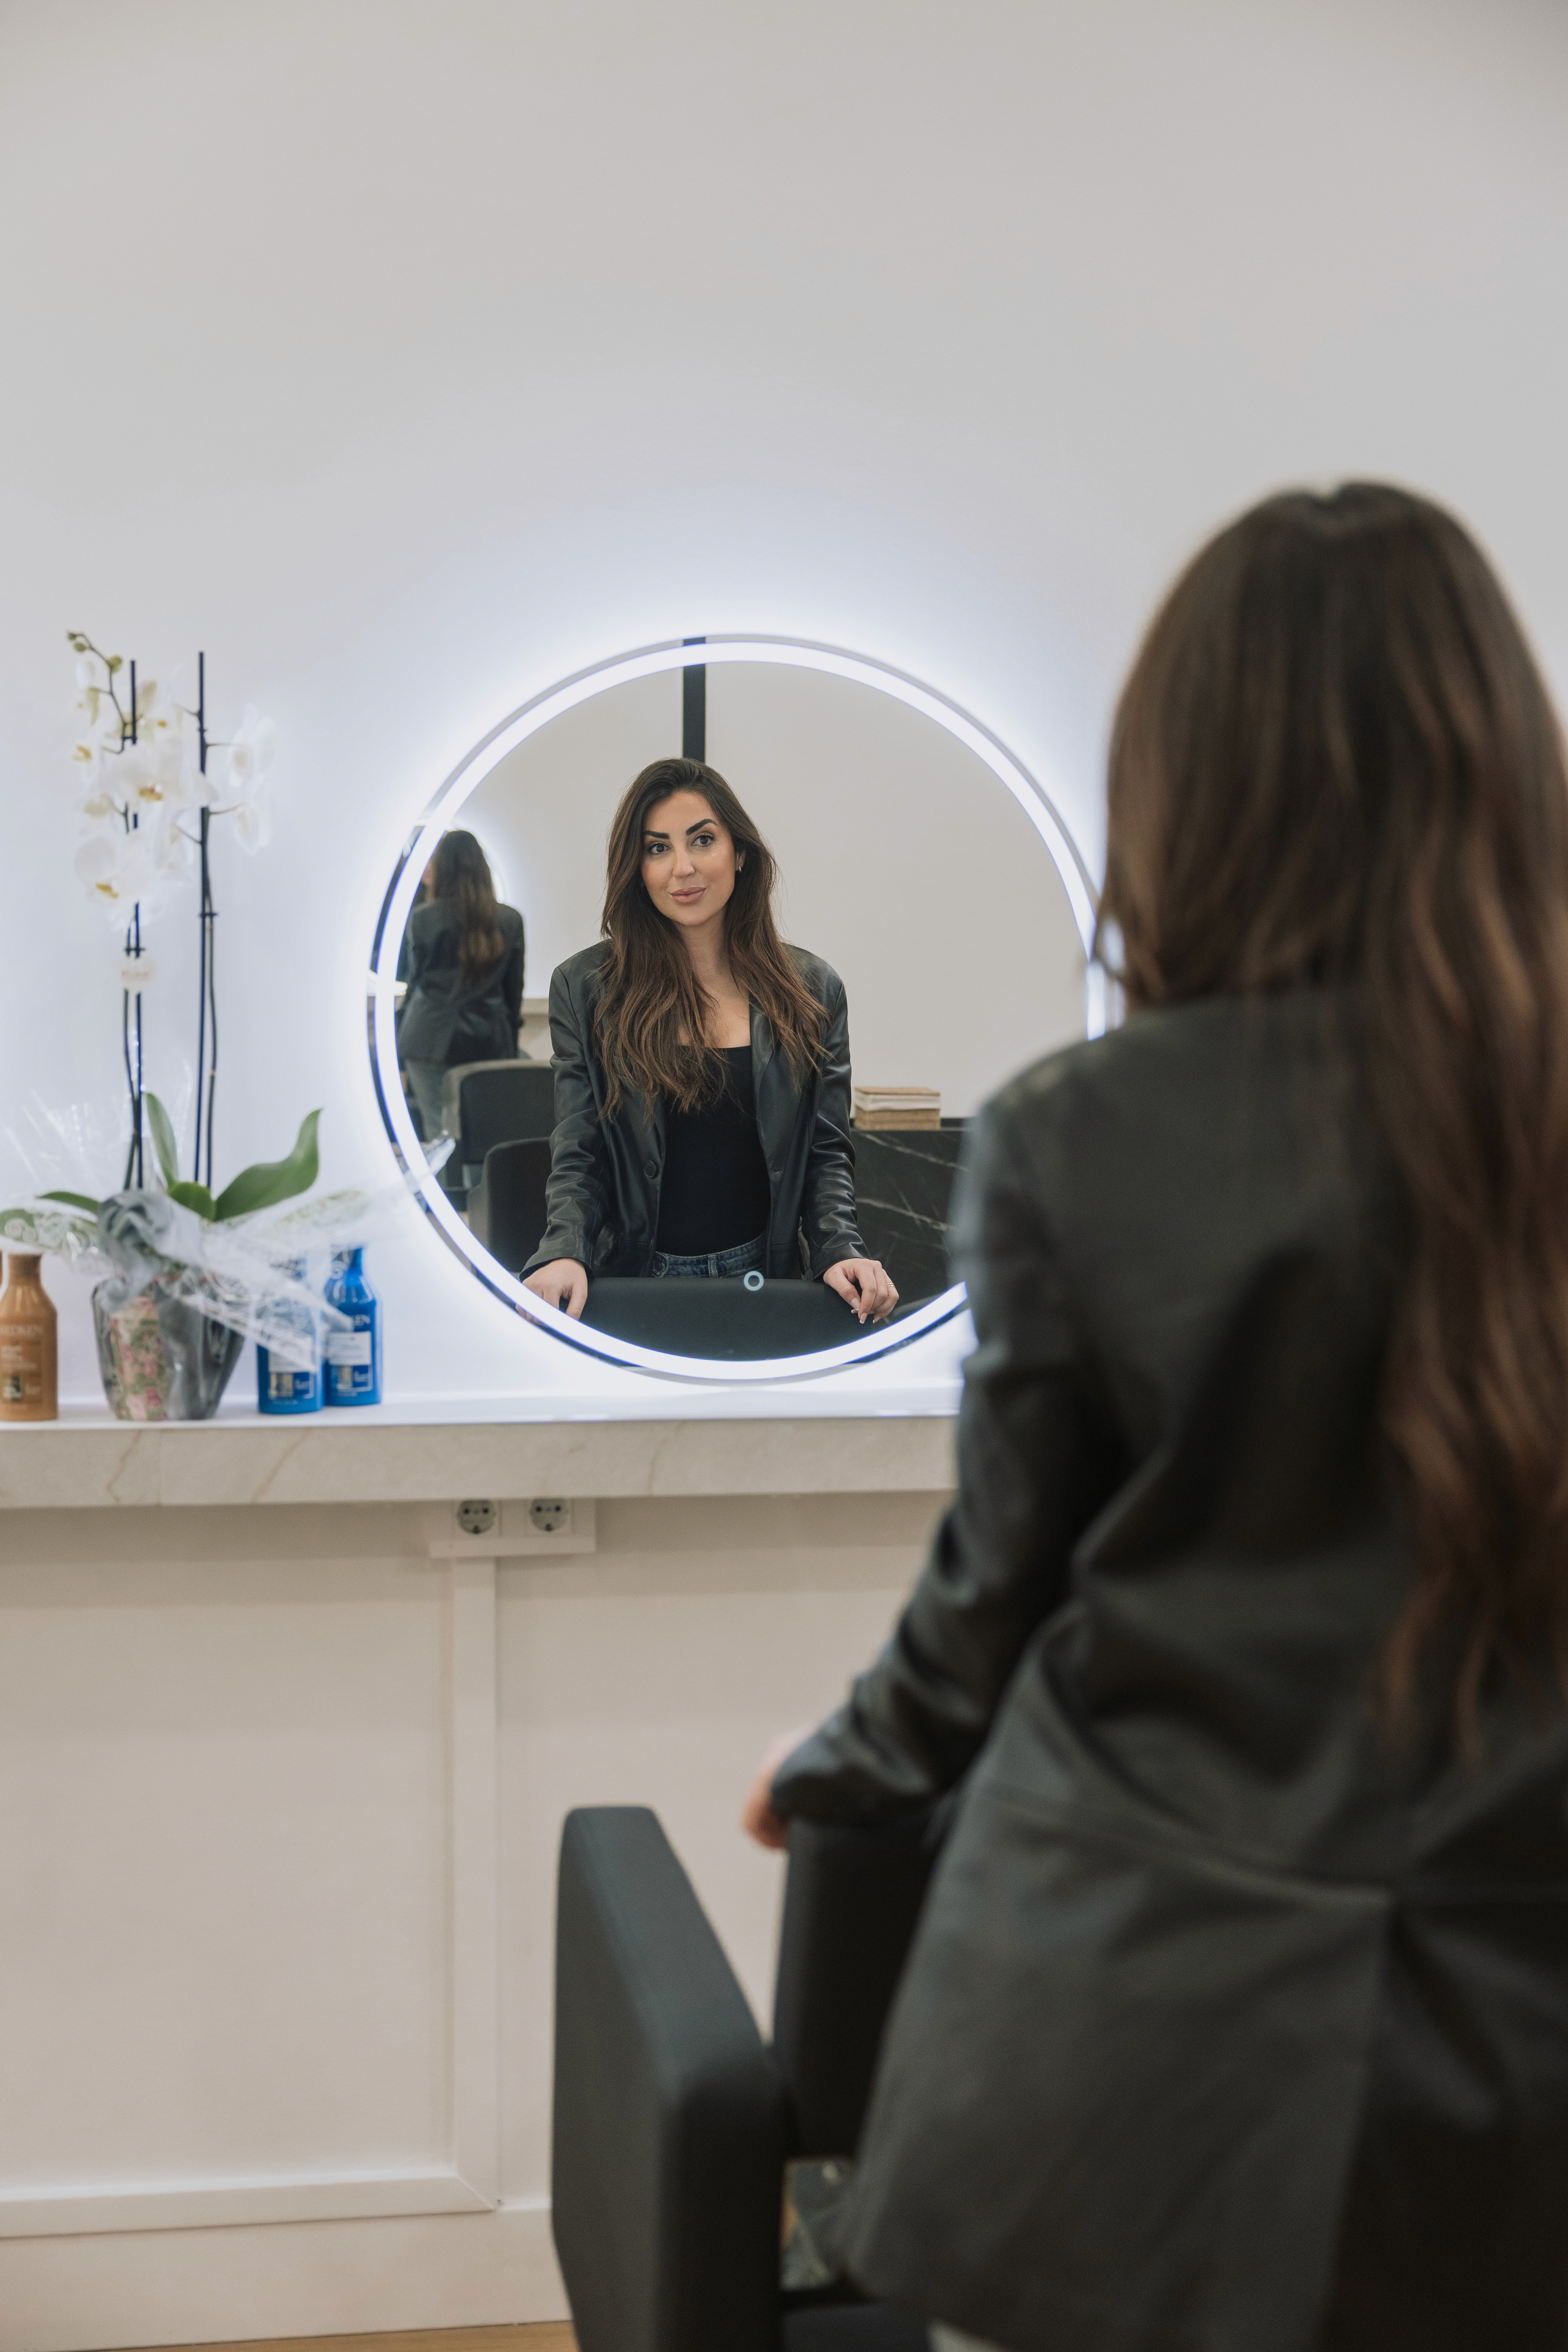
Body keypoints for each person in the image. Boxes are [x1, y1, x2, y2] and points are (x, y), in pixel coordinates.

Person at [743, 484, 1568, 2352]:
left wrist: (836, 1768)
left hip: (1127, 2042)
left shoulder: (1074, 1134)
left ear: (1183, 784)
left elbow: (990, 1596)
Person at [522, 755, 897, 1323]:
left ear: (739, 852)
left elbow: (825, 1153)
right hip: (637, 1283)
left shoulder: (813, 989)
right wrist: (564, 1250)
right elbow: (581, 1150)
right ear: (637, 868)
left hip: (766, 1282)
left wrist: (839, 1248)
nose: (682, 868)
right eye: (657, 848)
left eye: (702, 840)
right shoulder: (585, 989)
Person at [397, 830, 524, 1137]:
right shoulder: (509, 920)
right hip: (488, 1038)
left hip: (429, 1038)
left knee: (438, 1132)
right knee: (486, 1134)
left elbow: (414, 983)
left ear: (444, 868)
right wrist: (510, 1039)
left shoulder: (423, 918)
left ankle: (441, 1188)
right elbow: (513, 990)